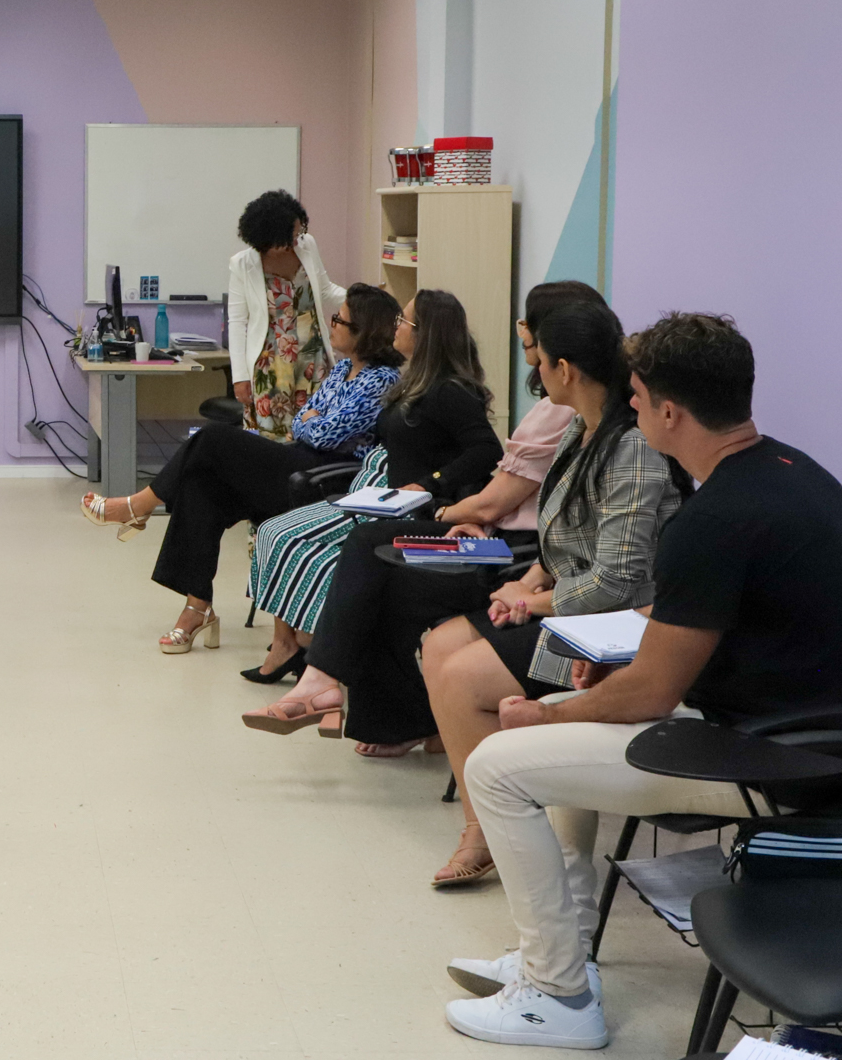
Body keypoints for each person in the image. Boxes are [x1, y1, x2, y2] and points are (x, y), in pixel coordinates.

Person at [441, 312, 842, 1050]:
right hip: (801, 729)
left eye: (636, 395)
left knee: (502, 761)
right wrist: (618, 661)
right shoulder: (794, 473)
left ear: (669, 412)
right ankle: (555, 956)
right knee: (564, 715)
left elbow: (652, 697)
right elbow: (706, 612)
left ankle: (558, 997)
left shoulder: (713, 517)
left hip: (776, 758)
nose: (629, 406)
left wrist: (544, 718)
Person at [253, 282, 600, 763]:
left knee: (370, 550)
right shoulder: (554, 409)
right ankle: (375, 707)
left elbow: (496, 479)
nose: (522, 334)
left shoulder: (557, 416)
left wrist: (442, 504)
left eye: (530, 328)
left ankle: (326, 681)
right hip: (492, 533)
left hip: (505, 550)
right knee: (370, 566)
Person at [417, 302, 688, 890]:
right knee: (437, 646)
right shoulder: (579, 424)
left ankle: (492, 832)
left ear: (563, 367)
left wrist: (531, 602)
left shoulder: (631, 445)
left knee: (463, 678)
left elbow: (616, 579)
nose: (532, 367)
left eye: (536, 355)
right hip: (567, 596)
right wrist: (532, 578)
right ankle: (484, 822)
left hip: (611, 623)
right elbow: (568, 532)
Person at [80, 284, 404, 653]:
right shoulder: (344, 368)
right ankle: (195, 608)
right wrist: (312, 421)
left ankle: (138, 507)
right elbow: (303, 421)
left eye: (339, 319)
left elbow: (328, 434)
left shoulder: (381, 380)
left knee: (214, 438)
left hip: (326, 478)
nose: (331, 325)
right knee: (204, 483)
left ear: (364, 332)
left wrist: (313, 421)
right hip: (303, 458)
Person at [241, 289, 503, 721]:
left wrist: (430, 483)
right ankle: (320, 677)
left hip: (427, 512)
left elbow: (484, 451)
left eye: (404, 322)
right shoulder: (415, 380)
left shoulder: (449, 391)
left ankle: (320, 679)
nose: (396, 327)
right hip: (391, 500)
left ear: (425, 335)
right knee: (286, 531)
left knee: (348, 554)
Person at [225, 190, 350, 441]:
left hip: (313, 359)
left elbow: (325, 290)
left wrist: (360, 298)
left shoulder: (307, 245)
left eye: (299, 232)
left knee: (313, 432)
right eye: (291, 235)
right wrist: (239, 377)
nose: (297, 239)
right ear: (269, 237)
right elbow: (237, 323)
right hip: (270, 365)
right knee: (273, 439)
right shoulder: (243, 265)